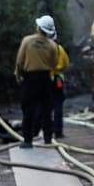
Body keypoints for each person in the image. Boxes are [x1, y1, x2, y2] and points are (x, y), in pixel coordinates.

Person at [15, 15, 61, 148]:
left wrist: (18, 75)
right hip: (45, 78)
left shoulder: (27, 41)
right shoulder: (52, 45)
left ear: (39, 27)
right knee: (47, 109)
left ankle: (27, 140)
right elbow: (54, 63)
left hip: (29, 79)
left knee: (28, 109)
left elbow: (19, 61)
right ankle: (48, 138)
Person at [49, 25, 70, 139]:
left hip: (46, 80)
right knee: (58, 105)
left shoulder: (42, 50)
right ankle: (58, 131)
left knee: (45, 106)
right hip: (58, 80)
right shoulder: (59, 49)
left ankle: (47, 131)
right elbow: (66, 63)